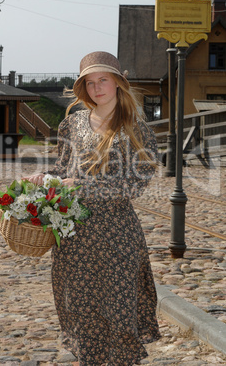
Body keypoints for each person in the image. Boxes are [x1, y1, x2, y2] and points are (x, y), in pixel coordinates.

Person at [25, 51, 160, 365]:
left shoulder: (139, 131)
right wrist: (45, 178)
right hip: (74, 239)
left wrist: (79, 186)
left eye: (103, 80)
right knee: (82, 315)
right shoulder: (72, 124)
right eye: (90, 82)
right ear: (84, 88)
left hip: (117, 238)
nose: (97, 87)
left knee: (120, 318)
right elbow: (62, 169)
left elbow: (133, 186)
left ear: (117, 83)